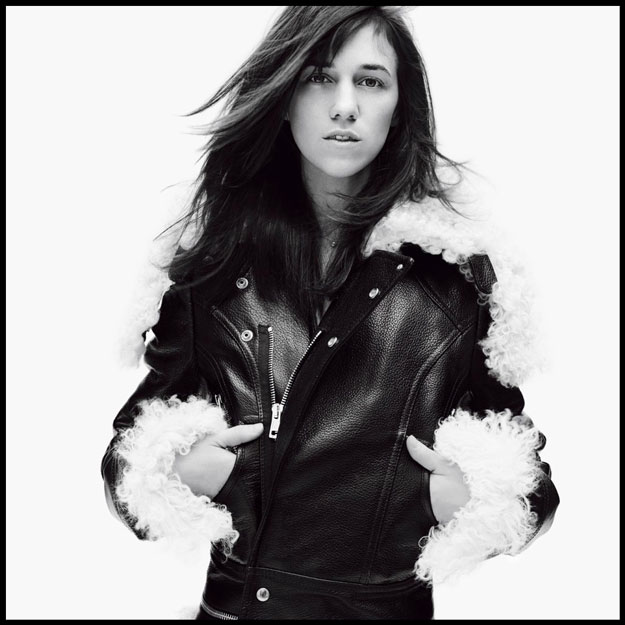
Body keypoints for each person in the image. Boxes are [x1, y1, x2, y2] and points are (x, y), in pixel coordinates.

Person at [101, 6, 559, 620]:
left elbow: (534, 491)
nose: (345, 106)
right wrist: (182, 472)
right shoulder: (212, 265)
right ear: (284, 97)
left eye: (370, 80)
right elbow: (124, 462)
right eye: (319, 77)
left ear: (400, 106)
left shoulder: (456, 280)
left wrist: (461, 497)